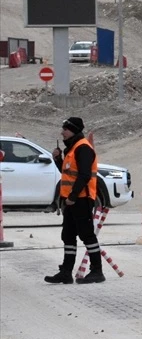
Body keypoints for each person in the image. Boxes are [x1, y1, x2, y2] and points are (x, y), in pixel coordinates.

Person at [44, 117, 105, 284]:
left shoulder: (83, 148)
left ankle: (97, 271)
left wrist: (72, 197)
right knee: (68, 235)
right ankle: (66, 272)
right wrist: (58, 160)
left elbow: (84, 175)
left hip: (82, 199)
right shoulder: (71, 149)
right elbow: (69, 174)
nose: (62, 132)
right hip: (71, 201)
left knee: (87, 235)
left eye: (66, 129)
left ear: (74, 131)